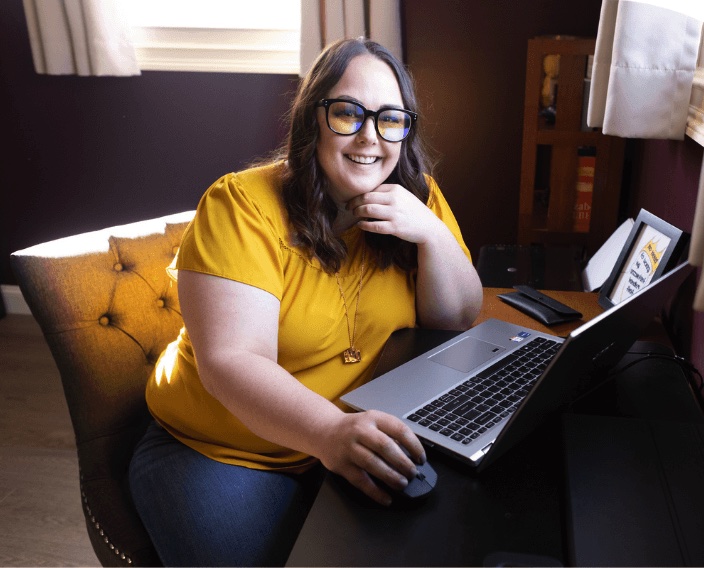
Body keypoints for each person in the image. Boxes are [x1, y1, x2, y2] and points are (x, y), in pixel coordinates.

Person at [128, 36, 483, 566]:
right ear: (311, 119)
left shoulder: (418, 196)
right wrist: (330, 431)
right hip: (226, 450)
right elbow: (232, 363)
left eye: (390, 119)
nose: (370, 137)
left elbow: (454, 318)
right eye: (347, 113)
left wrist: (431, 234)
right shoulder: (240, 206)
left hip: (349, 436)